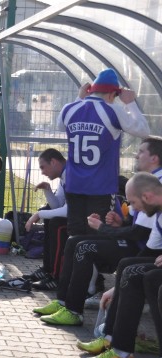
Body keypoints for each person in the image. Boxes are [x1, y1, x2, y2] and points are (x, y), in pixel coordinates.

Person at [35, 138, 162, 325]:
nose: (136, 155)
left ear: (154, 158)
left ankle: (74, 311)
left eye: (141, 151)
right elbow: (136, 223)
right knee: (74, 241)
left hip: (144, 250)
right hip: (137, 242)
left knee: (85, 248)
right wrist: (120, 221)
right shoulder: (146, 180)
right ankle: (63, 301)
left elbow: (138, 234)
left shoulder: (155, 183)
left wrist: (103, 228)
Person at [76, 172, 162, 358]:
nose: (133, 210)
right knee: (128, 266)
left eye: (132, 203)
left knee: (146, 277)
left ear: (147, 197)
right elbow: (148, 252)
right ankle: (116, 345)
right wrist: (117, 288)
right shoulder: (157, 214)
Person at [57, 68, 150, 235]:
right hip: (101, 186)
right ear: (111, 95)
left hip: (74, 184)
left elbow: (59, 125)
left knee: (75, 232)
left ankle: (72, 261)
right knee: (96, 233)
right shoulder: (112, 110)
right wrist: (130, 103)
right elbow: (143, 131)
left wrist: (79, 97)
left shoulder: (69, 109)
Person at [23, 149, 67, 290]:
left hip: (93, 219)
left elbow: (69, 211)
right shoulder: (64, 176)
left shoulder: (71, 174)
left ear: (53, 162)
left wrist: (38, 215)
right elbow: (58, 205)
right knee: (49, 216)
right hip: (80, 216)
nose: (42, 172)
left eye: (43, 167)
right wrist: (48, 190)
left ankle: (57, 277)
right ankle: (47, 269)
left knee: (57, 223)